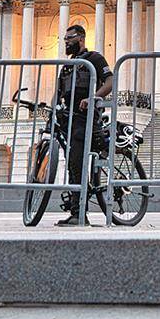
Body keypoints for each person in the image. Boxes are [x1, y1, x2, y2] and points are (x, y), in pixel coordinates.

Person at [52, 23, 112, 226]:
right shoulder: (67, 66)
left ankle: (80, 214)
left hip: (85, 118)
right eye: (65, 38)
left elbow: (110, 81)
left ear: (81, 38)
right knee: (72, 163)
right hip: (68, 118)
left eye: (70, 38)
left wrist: (94, 97)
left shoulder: (94, 58)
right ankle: (75, 209)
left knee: (77, 161)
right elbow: (59, 94)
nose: (66, 42)